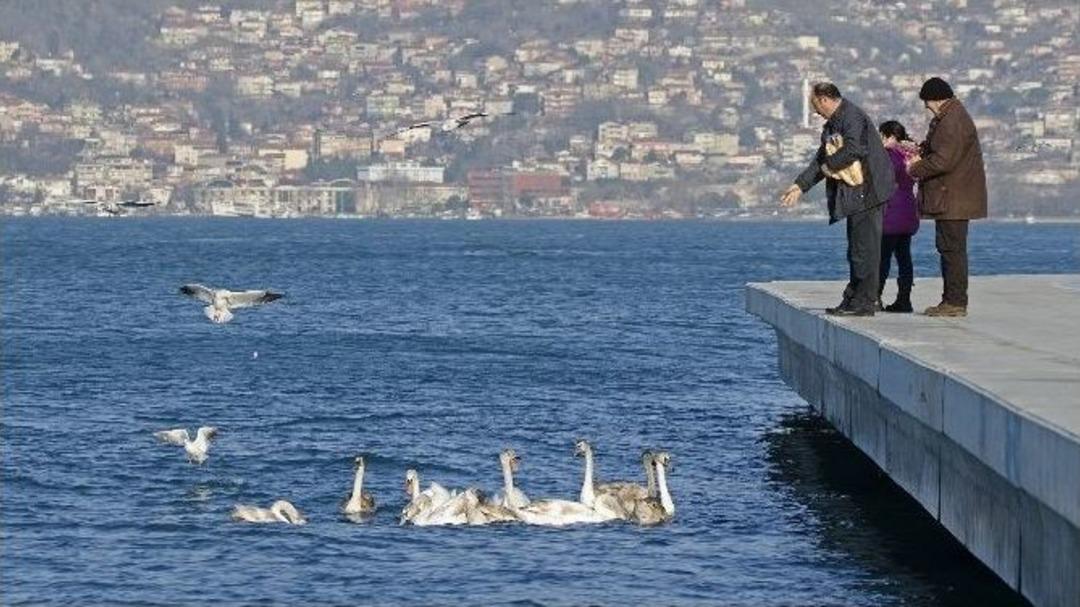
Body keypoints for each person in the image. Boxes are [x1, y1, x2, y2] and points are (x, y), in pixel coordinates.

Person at [781, 82, 897, 316]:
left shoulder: (852, 117)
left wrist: (827, 167)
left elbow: (855, 149)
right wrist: (800, 185)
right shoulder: (834, 123)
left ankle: (865, 302)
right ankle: (853, 298)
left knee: (865, 249)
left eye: (815, 105)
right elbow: (821, 157)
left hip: (869, 190)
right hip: (856, 193)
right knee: (856, 249)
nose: (815, 111)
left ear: (825, 99)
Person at [907, 77, 987, 317]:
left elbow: (943, 160)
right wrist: (921, 149)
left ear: (937, 99)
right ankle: (951, 300)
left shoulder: (951, 121)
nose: (926, 107)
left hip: (952, 198)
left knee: (952, 250)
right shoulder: (952, 118)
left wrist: (915, 167)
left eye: (927, 102)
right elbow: (942, 151)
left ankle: (954, 302)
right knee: (950, 249)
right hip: (953, 197)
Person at [877, 120, 920, 313]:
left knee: (882, 258)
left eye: (881, 136)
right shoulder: (912, 154)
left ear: (890, 136)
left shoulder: (889, 156)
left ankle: (875, 297)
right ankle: (904, 300)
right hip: (909, 210)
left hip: (891, 212)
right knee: (904, 258)